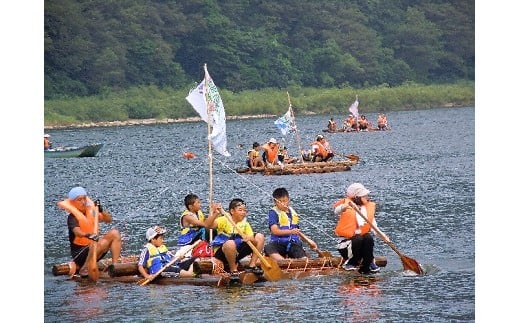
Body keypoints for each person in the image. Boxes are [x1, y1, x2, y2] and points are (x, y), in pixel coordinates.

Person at [57, 186, 121, 276]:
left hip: (95, 248)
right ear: (72, 202)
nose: (83, 202)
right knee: (93, 243)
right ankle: (85, 268)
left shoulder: (91, 211)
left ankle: (115, 266)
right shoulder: (72, 217)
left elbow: (109, 220)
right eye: (79, 200)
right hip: (80, 255)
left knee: (115, 233)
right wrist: (88, 235)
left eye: (84, 199)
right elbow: (77, 232)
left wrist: (101, 210)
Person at [333, 183, 388, 274]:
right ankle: (351, 262)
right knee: (358, 238)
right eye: (364, 196)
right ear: (356, 197)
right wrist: (344, 207)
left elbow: (374, 227)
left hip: (361, 246)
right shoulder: (347, 205)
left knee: (367, 237)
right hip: (347, 246)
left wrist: (383, 237)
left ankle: (368, 262)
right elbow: (337, 211)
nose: (367, 197)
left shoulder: (367, 208)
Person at [206, 198, 265, 280]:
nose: (243, 212)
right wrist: (215, 214)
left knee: (260, 236)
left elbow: (255, 242)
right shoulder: (224, 220)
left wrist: (250, 239)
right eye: (240, 210)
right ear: (232, 211)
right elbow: (208, 225)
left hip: (237, 252)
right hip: (223, 252)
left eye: (245, 210)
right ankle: (233, 270)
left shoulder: (245, 224)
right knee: (230, 243)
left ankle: (252, 266)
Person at [264, 187, 317, 261]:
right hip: (279, 244)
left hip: (293, 244)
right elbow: (274, 231)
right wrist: (290, 232)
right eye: (279, 201)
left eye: (284, 201)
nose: (282, 203)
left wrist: (309, 241)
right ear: (275, 202)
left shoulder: (292, 213)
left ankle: (303, 261)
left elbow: (297, 231)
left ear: (288, 200)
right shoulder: (273, 213)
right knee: (268, 248)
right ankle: (283, 262)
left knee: (298, 250)